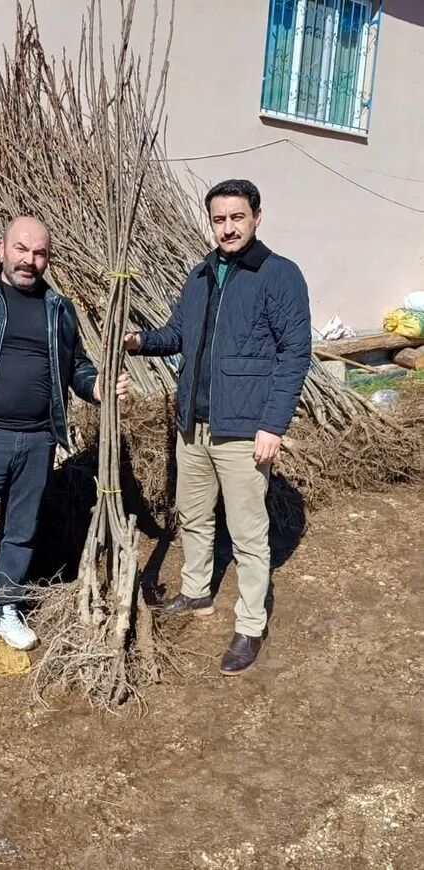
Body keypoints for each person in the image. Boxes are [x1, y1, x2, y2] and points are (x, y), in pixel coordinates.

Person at [0, 216, 128, 678]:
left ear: (47, 258)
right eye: (21, 249)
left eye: (38, 254)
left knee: (21, 531)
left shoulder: (59, 308)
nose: (29, 261)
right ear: (2, 248)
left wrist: (96, 386)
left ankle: (1, 608)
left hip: (37, 439)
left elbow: (77, 366)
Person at [119, 179, 311, 675]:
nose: (228, 228)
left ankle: (249, 625)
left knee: (247, 533)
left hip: (245, 429)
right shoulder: (200, 274)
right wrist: (140, 341)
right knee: (195, 516)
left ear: (256, 217)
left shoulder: (279, 276)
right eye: (220, 219)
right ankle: (197, 591)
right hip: (194, 425)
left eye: (237, 217)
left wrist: (273, 425)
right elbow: (179, 334)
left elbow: (295, 355)